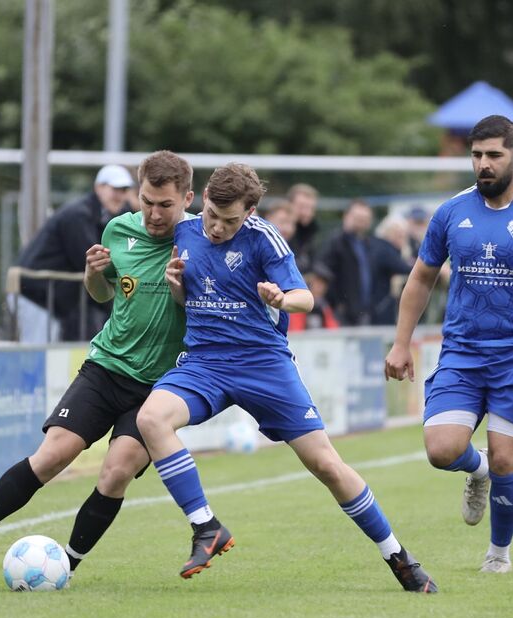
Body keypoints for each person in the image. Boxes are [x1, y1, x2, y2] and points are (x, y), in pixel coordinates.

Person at [134, 163, 435, 591]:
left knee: (326, 465)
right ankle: (206, 527)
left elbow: (306, 297)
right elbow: (185, 294)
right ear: (202, 200)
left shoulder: (264, 238)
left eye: (230, 220)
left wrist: (281, 297)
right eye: (212, 216)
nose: (218, 228)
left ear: (251, 210)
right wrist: (175, 286)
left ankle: (399, 557)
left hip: (263, 364)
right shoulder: (184, 232)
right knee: (151, 419)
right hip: (205, 362)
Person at [0, 150, 194, 577]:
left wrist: (181, 291)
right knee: (50, 456)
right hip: (106, 367)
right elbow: (104, 295)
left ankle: (65, 566)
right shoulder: (118, 229)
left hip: (160, 386)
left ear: (188, 199)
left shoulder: (200, 245)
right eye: (146, 202)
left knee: (116, 471)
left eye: (165, 205)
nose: (154, 215)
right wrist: (92, 273)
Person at [385, 115, 513, 574]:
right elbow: (420, 278)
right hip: (463, 350)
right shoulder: (451, 212)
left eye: (493, 155)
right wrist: (401, 343)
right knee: (441, 450)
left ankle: (498, 554)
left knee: (506, 456)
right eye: (476, 155)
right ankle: (475, 472)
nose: (483, 164)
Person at [15, 164, 133, 342]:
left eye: (124, 190)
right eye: (115, 189)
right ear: (98, 187)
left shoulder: (111, 215)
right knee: (34, 359)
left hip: (56, 297)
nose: (119, 195)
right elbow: (91, 263)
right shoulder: (78, 215)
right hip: (35, 294)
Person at [317, 199, 413, 326]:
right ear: (347, 216)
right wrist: (336, 305)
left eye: (365, 219)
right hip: (341, 315)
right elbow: (322, 274)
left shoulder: (367, 244)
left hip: (364, 314)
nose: (361, 222)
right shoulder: (336, 243)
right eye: (357, 218)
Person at [286, 183, 320, 266]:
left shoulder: (310, 233)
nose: (307, 213)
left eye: (311, 208)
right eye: (302, 207)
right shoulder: (279, 232)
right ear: (288, 205)